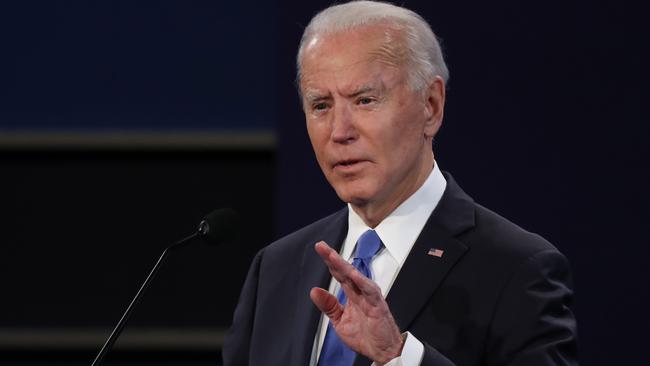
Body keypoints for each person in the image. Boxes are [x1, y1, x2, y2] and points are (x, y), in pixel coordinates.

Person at [223, 1, 578, 365]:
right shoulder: (276, 268)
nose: (339, 132)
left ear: (431, 105)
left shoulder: (517, 269)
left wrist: (399, 357)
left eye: (365, 100)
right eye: (320, 106)